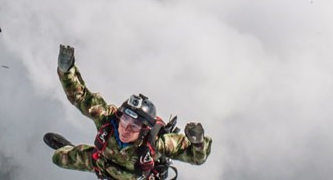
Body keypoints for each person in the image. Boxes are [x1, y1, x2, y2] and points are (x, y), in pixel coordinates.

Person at [44, 45, 211, 179]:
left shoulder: (157, 143)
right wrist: (66, 71)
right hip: (102, 164)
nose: (126, 128)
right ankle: (68, 148)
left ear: (145, 129)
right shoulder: (108, 119)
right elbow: (80, 97)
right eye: (124, 120)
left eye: (134, 126)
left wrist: (198, 143)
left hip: (134, 176)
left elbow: (197, 158)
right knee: (58, 158)